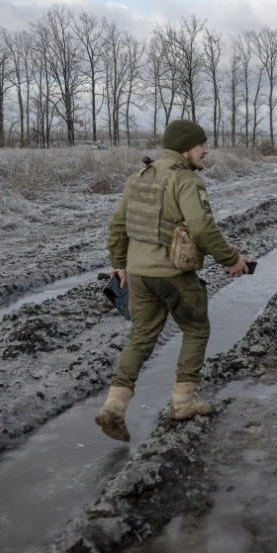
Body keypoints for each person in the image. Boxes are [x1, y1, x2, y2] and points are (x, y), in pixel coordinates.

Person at [97, 119, 250, 442]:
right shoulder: (185, 180)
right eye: (201, 146)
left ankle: (114, 406)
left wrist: (118, 264)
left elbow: (117, 225)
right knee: (195, 329)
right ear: (185, 148)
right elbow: (202, 228)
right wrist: (232, 260)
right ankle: (183, 402)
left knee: (140, 338)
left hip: (139, 275)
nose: (206, 151)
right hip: (174, 275)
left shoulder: (139, 176)